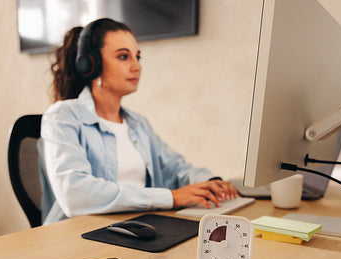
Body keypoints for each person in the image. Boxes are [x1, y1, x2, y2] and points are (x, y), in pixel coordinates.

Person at [39, 18, 237, 225]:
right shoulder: (62, 117)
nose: (136, 67)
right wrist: (171, 198)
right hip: (79, 237)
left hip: (138, 228)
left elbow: (175, 168)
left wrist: (210, 183)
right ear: (91, 64)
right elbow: (75, 193)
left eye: (138, 57)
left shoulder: (138, 124)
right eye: (124, 57)